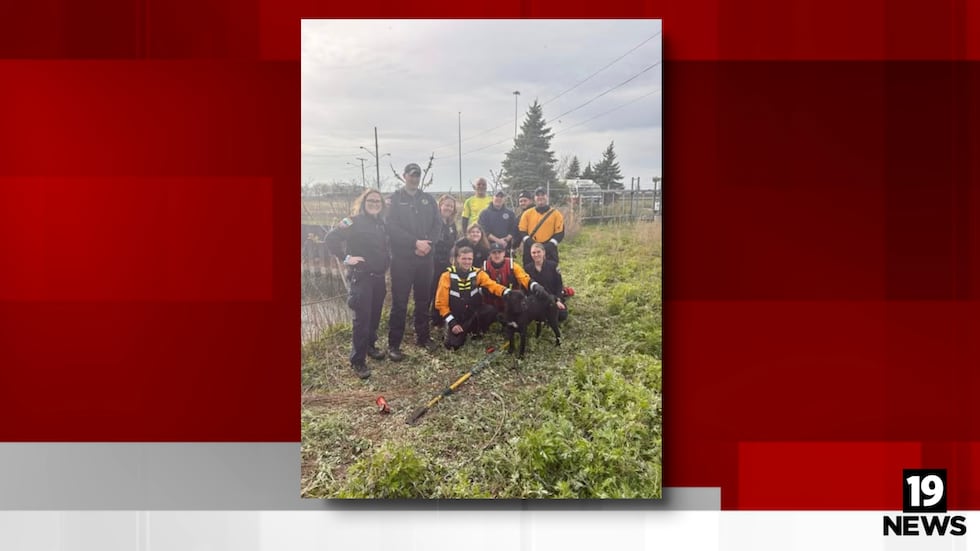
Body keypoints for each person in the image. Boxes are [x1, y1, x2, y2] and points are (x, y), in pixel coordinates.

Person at [323, 189, 389, 379]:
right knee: (362, 319)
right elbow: (330, 238)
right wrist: (346, 258)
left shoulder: (381, 223)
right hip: (362, 278)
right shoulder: (352, 221)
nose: (374, 203)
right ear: (363, 202)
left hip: (378, 278)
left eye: (378, 201)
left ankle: (370, 346)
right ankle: (358, 361)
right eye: (371, 200)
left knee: (375, 315)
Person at [386, 162, 442, 360]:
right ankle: (394, 345)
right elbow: (391, 227)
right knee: (400, 303)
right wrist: (414, 243)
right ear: (404, 176)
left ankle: (423, 338)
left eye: (417, 175)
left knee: (423, 300)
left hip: (425, 258)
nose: (414, 178)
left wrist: (428, 243)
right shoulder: (394, 200)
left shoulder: (428, 199)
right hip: (402, 260)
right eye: (411, 175)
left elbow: (438, 224)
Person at [434, 246, 512, 350]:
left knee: (491, 310)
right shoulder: (446, 276)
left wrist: (507, 292)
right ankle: (449, 327)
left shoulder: (478, 273)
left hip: (472, 313)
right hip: (456, 316)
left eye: (469, 259)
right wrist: (452, 323)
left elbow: (492, 285)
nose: (467, 262)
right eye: (464, 259)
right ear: (457, 259)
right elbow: (441, 304)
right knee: (453, 345)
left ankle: (477, 330)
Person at [482, 241, 541, 316]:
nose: (497, 255)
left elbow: (523, 277)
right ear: (490, 254)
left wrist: (533, 284)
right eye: (494, 253)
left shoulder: (512, 265)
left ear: (504, 253)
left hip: (511, 301)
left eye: (499, 252)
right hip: (493, 300)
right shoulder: (485, 267)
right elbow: (486, 283)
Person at [430, 194, 459, 327]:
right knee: (430, 289)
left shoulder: (452, 225)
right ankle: (426, 318)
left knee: (442, 289)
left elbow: (454, 243)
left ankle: (438, 317)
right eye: (446, 205)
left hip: (446, 262)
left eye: (451, 206)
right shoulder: (432, 221)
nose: (448, 208)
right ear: (440, 205)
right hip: (433, 261)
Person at [517, 187, 565, 266]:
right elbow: (522, 231)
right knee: (529, 274)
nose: (540, 197)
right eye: (537, 195)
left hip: (549, 250)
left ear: (547, 197)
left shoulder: (556, 214)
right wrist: (531, 243)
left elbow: (560, 233)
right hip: (530, 249)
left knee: (551, 274)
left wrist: (549, 245)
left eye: (542, 194)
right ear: (534, 198)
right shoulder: (527, 214)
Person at [524, 242, 568, 322]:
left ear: (544, 252)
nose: (536, 255)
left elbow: (559, 285)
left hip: (552, 298)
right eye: (533, 252)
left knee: (562, 315)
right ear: (530, 254)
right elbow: (525, 288)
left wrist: (558, 300)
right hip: (536, 299)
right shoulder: (527, 268)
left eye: (538, 252)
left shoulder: (553, 266)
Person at [478, 189, 517, 258]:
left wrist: (506, 240)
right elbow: (483, 231)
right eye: (497, 196)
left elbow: (514, 229)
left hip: (505, 247)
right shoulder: (484, 213)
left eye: (501, 197)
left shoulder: (510, 213)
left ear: (504, 199)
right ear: (492, 198)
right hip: (488, 247)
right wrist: (498, 241)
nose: (499, 199)